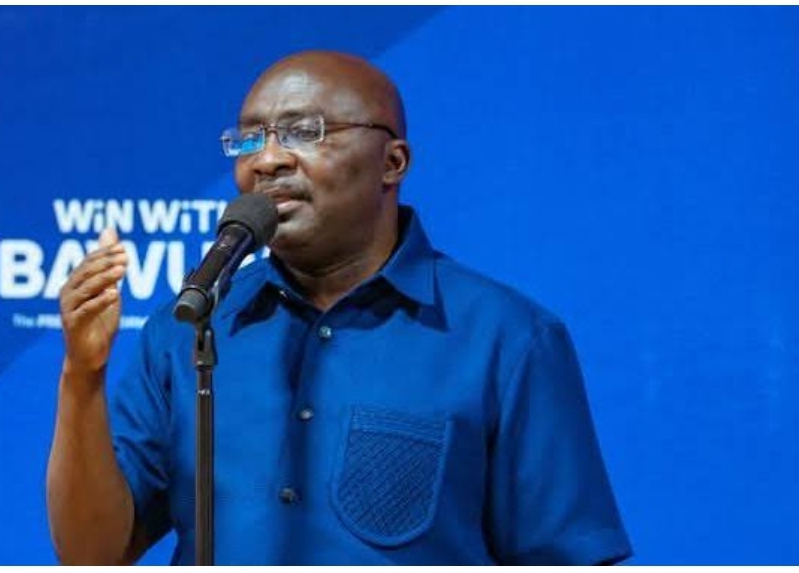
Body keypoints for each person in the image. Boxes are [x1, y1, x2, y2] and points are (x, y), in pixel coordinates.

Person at [46, 50, 632, 565]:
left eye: (303, 132)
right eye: (249, 139)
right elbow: (93, 555)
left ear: (392, 162)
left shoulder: (506, 339)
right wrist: (83, 376)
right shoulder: (190, 328)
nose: (267, 160)